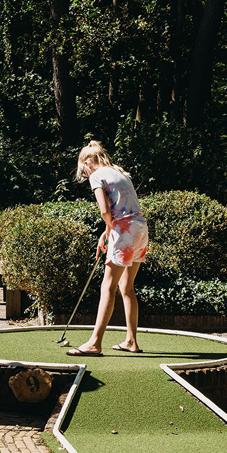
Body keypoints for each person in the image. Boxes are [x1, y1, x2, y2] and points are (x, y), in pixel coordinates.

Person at [66, 140, 148, 357]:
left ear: (86, 162)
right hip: (139, 228)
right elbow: (121, 209)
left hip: (125, 230)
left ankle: (94, 343)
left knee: (107, 287)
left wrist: (111, 230)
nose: (82, 171)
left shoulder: (96, 175)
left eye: (81, 166)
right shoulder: (118, 172)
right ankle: (131, 341)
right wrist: (107, 231)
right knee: (127, 287)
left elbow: (105, 210)